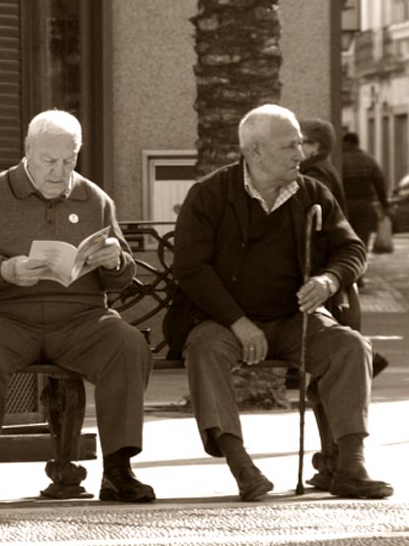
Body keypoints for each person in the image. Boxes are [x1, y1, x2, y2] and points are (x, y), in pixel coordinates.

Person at [168, 104, 392, 501]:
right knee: (204, 350)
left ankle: (350, 466)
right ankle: (242, 465)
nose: (300, 154)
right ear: (256, 151)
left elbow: (351, 248)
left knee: (350, 346)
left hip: (294, 319)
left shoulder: (312, 193)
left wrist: (329, 279)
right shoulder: (209, 194)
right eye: (290, 146)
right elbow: (191, 268)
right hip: (222, 321)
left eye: (300, 144)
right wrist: (237, 322)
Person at [0, 109, 154, 505]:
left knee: (128, 344)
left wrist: (115, 261)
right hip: (5, 316)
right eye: (48, 161)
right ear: (28, 150)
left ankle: (118, 469)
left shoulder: (94, 198)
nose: (59, 172)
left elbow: (123, 275)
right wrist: (5, 270)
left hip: (81, 318)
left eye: (68, 160)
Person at [340, 131, 388, 247]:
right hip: (364, 205)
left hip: (345, 204)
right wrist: (384, 205)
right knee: (362, 237)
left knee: (344, 237)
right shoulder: (369, 160)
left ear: (348, 142)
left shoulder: (340, 160)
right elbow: (380, 184)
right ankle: (361, 256)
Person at [300, 118, 346, 211]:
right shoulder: (322, 167)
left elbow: (315, 210)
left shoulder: (316, 173)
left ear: (315, 146)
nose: (297, 147)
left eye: (300, 142)